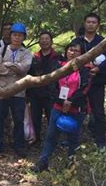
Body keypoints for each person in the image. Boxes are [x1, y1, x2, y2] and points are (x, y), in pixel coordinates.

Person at [33, 41, 91, 172]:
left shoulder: (85, 69)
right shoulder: (58, 66)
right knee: (51, 136)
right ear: (66, 51)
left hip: (76, 109)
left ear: (82, 54)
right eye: (70, 50)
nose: (72, 53)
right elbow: (52, 85)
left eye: (76, 51)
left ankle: (71, 165)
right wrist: (61, 101)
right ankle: (43, 162)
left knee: (73, 139)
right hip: (58, 107)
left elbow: (85, 88)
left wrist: (70, 101)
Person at [72, 13, 106, 148]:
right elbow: (70, 55)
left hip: (97, 82)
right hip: (78, 82)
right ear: (84, 23)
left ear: (98, 25)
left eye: (94, 22)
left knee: (98, 112)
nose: (90, 24)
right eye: (88, 22)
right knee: (75, 109)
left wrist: (98, 68)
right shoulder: (77, 41)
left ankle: (100, 141)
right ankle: (72, 139)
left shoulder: (103, 41)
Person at [0, 22, 32, 158]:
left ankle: (19, 146)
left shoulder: (26, 52)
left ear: (23, 37)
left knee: (19, 120)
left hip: (19, 91)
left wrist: (8, 65)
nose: (17, 38)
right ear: (11, 36)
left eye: (20, 35)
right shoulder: (1, 50)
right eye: (15, 35)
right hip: (2, 89)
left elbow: (24, 69)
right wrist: (15, 68)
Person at [27, 31, 60, 145]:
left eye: (47, 39)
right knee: (35, 118)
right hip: (35, 94)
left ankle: (52, 141)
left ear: (51, 41)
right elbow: (29, 75)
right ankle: (36, 139)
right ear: (39, 42)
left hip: (51, 94)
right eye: (42, 39)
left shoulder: (58, 57)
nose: (44, 41)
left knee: (52, 118)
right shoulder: (34, 57)